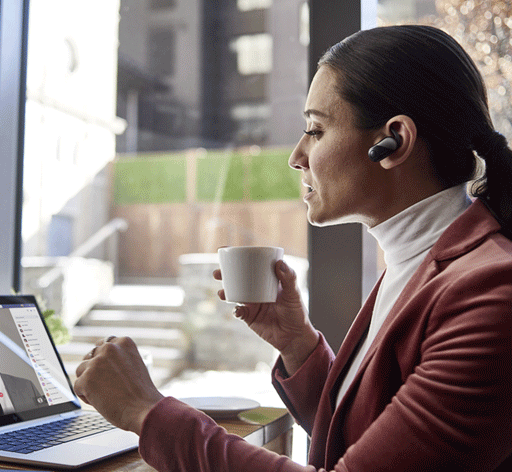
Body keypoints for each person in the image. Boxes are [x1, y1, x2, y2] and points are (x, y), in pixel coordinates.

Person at [72, 25, 512, 471]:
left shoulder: (489, 293)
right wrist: (298, 345)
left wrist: (146, 413)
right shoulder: (423, 260)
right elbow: (371, 433)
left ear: (393, 141)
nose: (296, 155)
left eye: (315, 130)